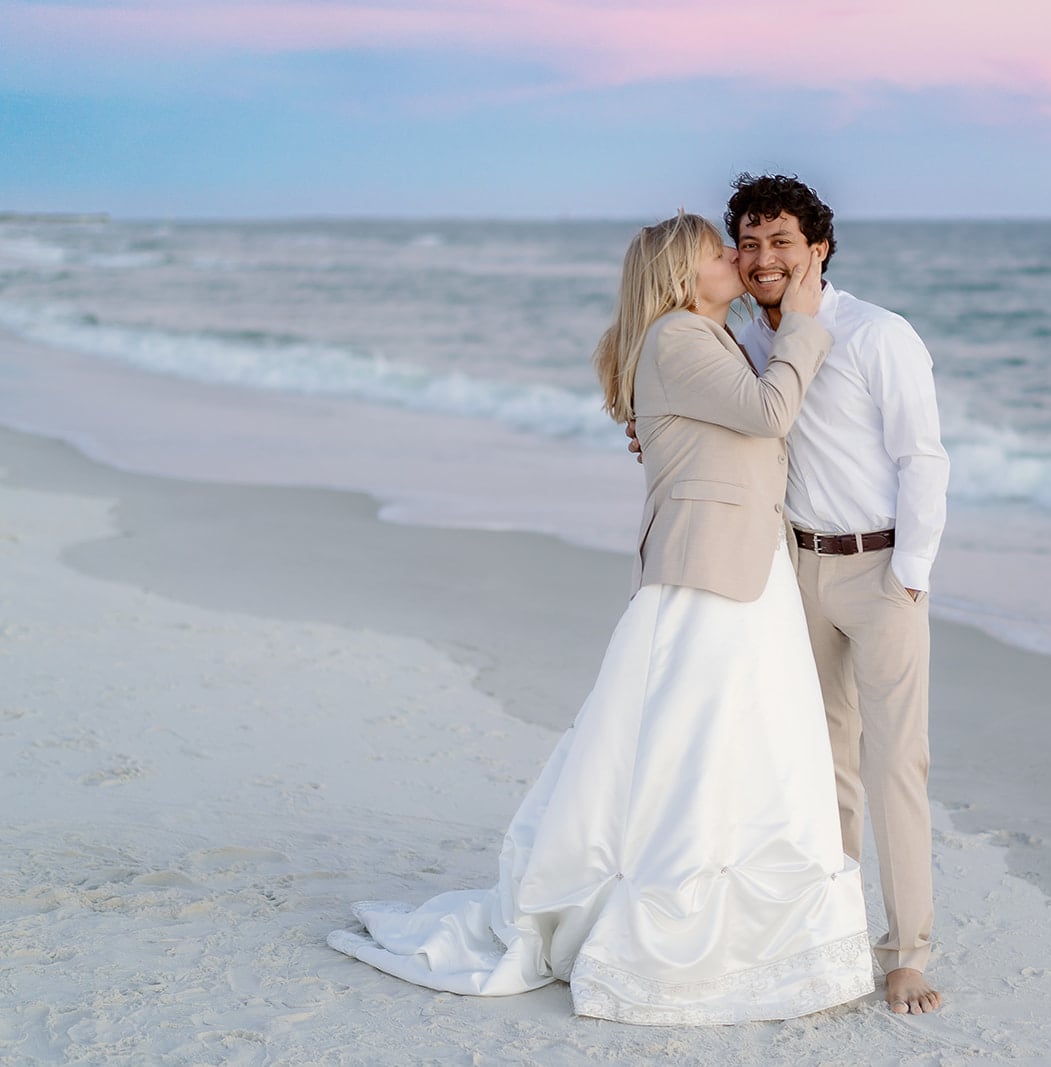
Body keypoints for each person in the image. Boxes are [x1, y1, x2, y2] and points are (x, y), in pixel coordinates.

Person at [328, 212, 874, 1025]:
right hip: (708, 571)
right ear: (681, 275)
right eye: (720, 252)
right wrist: (801, 325)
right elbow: (767, 415)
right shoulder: (677, 340)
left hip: (740, 562)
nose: (735, 259)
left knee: (730, 740)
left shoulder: (701, 336)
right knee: (694, 741)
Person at [633, 176, 950, 1014]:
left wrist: (911, 573)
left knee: (896, 768)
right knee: (820, 769)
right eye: (749, 240)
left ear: (819, 249)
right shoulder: (737, 337)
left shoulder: (879, 335)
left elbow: (924, 458)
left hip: (882, 572)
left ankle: (906, 952)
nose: (763, 257)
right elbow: (717, 417)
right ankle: (830, 938)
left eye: (781, 242)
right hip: (792, 571)